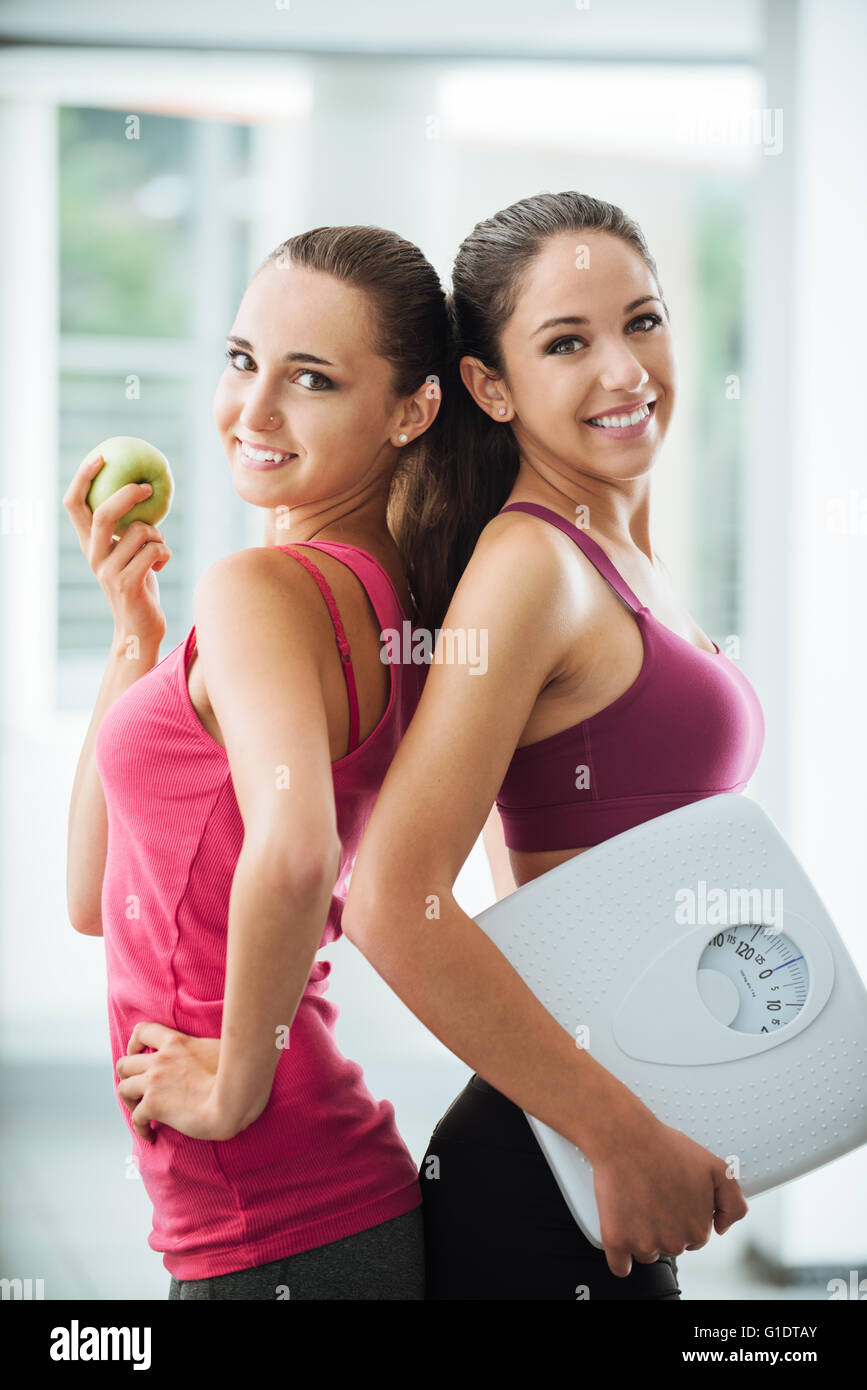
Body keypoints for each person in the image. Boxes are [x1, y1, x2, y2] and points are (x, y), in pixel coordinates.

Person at [342, 190, 764, 1300]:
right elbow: (393, 903)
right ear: (490, 385)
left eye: (644, 320)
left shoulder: (621, 540)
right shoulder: (531, 568)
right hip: (545, 1170)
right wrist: (613, 1131)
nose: (625, 370)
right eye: (567, 343)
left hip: (609, 1137)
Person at [64, 224, 451, 1300]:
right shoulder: (378, 600)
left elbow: (295, 848)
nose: (256, 411)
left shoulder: (264, 591)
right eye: (243, 361)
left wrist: (237, 1086)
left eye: (313, 379)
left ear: (412, 410)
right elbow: (94, 897)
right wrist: (137, 641)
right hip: (300, 1217)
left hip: (277, 1221)